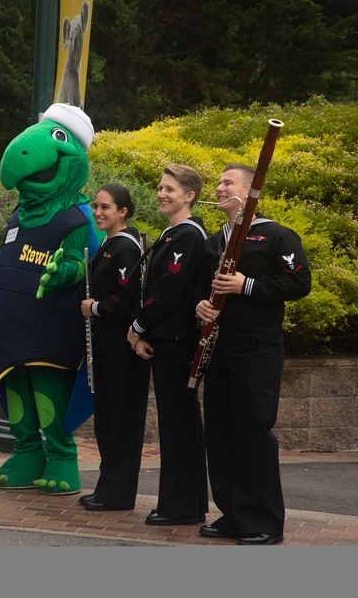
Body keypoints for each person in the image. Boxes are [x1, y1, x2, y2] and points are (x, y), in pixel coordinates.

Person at [195, 163, 311, 545]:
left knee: (253, 433)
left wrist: (247, 285)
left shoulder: (275, 235)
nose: (219, 187)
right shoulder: (214, 242)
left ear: (249, 192)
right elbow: (200, 289)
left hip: (257, 349)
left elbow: (299, 283)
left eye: (228, 182)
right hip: (220, 349)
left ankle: (262, 521)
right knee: (222, 433)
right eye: (218, 181)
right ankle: (233, 513)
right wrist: (201, 307)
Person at [127, 164, 208, 526]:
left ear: (189, 196)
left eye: (170, 189)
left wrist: (138, 327)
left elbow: (168, 290)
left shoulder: (188, 235)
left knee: (179, 423)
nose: (161, 193)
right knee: (176, 422)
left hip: (176, 340)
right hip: (167, 337)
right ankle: (182, 503)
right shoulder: (173, 232)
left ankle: (180, 506)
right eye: (160, 187)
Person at [78, 183, 149, 511]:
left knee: (121, 423)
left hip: (122, 350)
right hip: (106, 348)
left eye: (105, 207)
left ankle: (118, 493)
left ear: (123, 211)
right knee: (107, 421)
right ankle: (108, 488)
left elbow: (126, 300)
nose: (98, 212)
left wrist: (94, 307)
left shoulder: (125, 247)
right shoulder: (108, 244)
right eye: (95, 206)